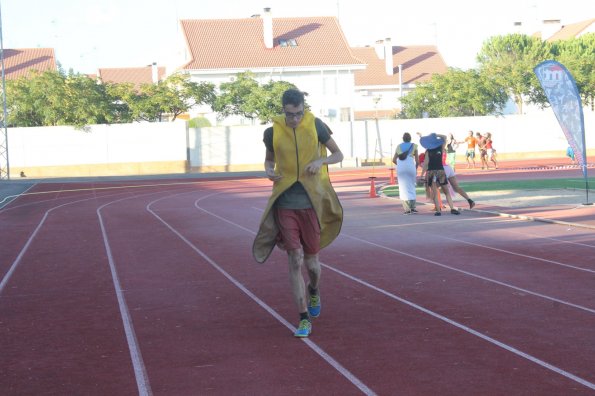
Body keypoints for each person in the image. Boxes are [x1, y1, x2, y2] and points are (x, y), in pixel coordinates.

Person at [252, 88, 344, 338]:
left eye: (299, 114)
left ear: (304, 108)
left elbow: (338, 154)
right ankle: (303, 318)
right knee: (295, 259)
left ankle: (314, 289)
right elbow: (269, 160)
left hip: (311, 202)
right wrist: (269, 170)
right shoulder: (272, 132)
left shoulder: (317, 126)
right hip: (285, 203)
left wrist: (320, 162)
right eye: (290, 115)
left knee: (312, 264)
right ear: (283, 109)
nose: (294, 120)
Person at [420, 133, 460, 216]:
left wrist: (422, 175)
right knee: (445, 191)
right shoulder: (440, 147)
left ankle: (438, 211)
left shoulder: (429, 150)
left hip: (432, 171)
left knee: (437, 191)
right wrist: (436, 135)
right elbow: (444, 137)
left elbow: (426, 164)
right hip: (439, 171)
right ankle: (451, 208)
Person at [392, 132, 419, 214]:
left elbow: (394, 160)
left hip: (401, 168)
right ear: (410, 138)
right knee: (411, 186)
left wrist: (400, 165)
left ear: (403, 138)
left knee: (403, 188)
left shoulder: (398, 146)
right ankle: (413, 207)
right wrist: (415, 168)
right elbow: (417, 161)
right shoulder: (414, 146)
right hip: (411, 167)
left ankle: (407, 209)